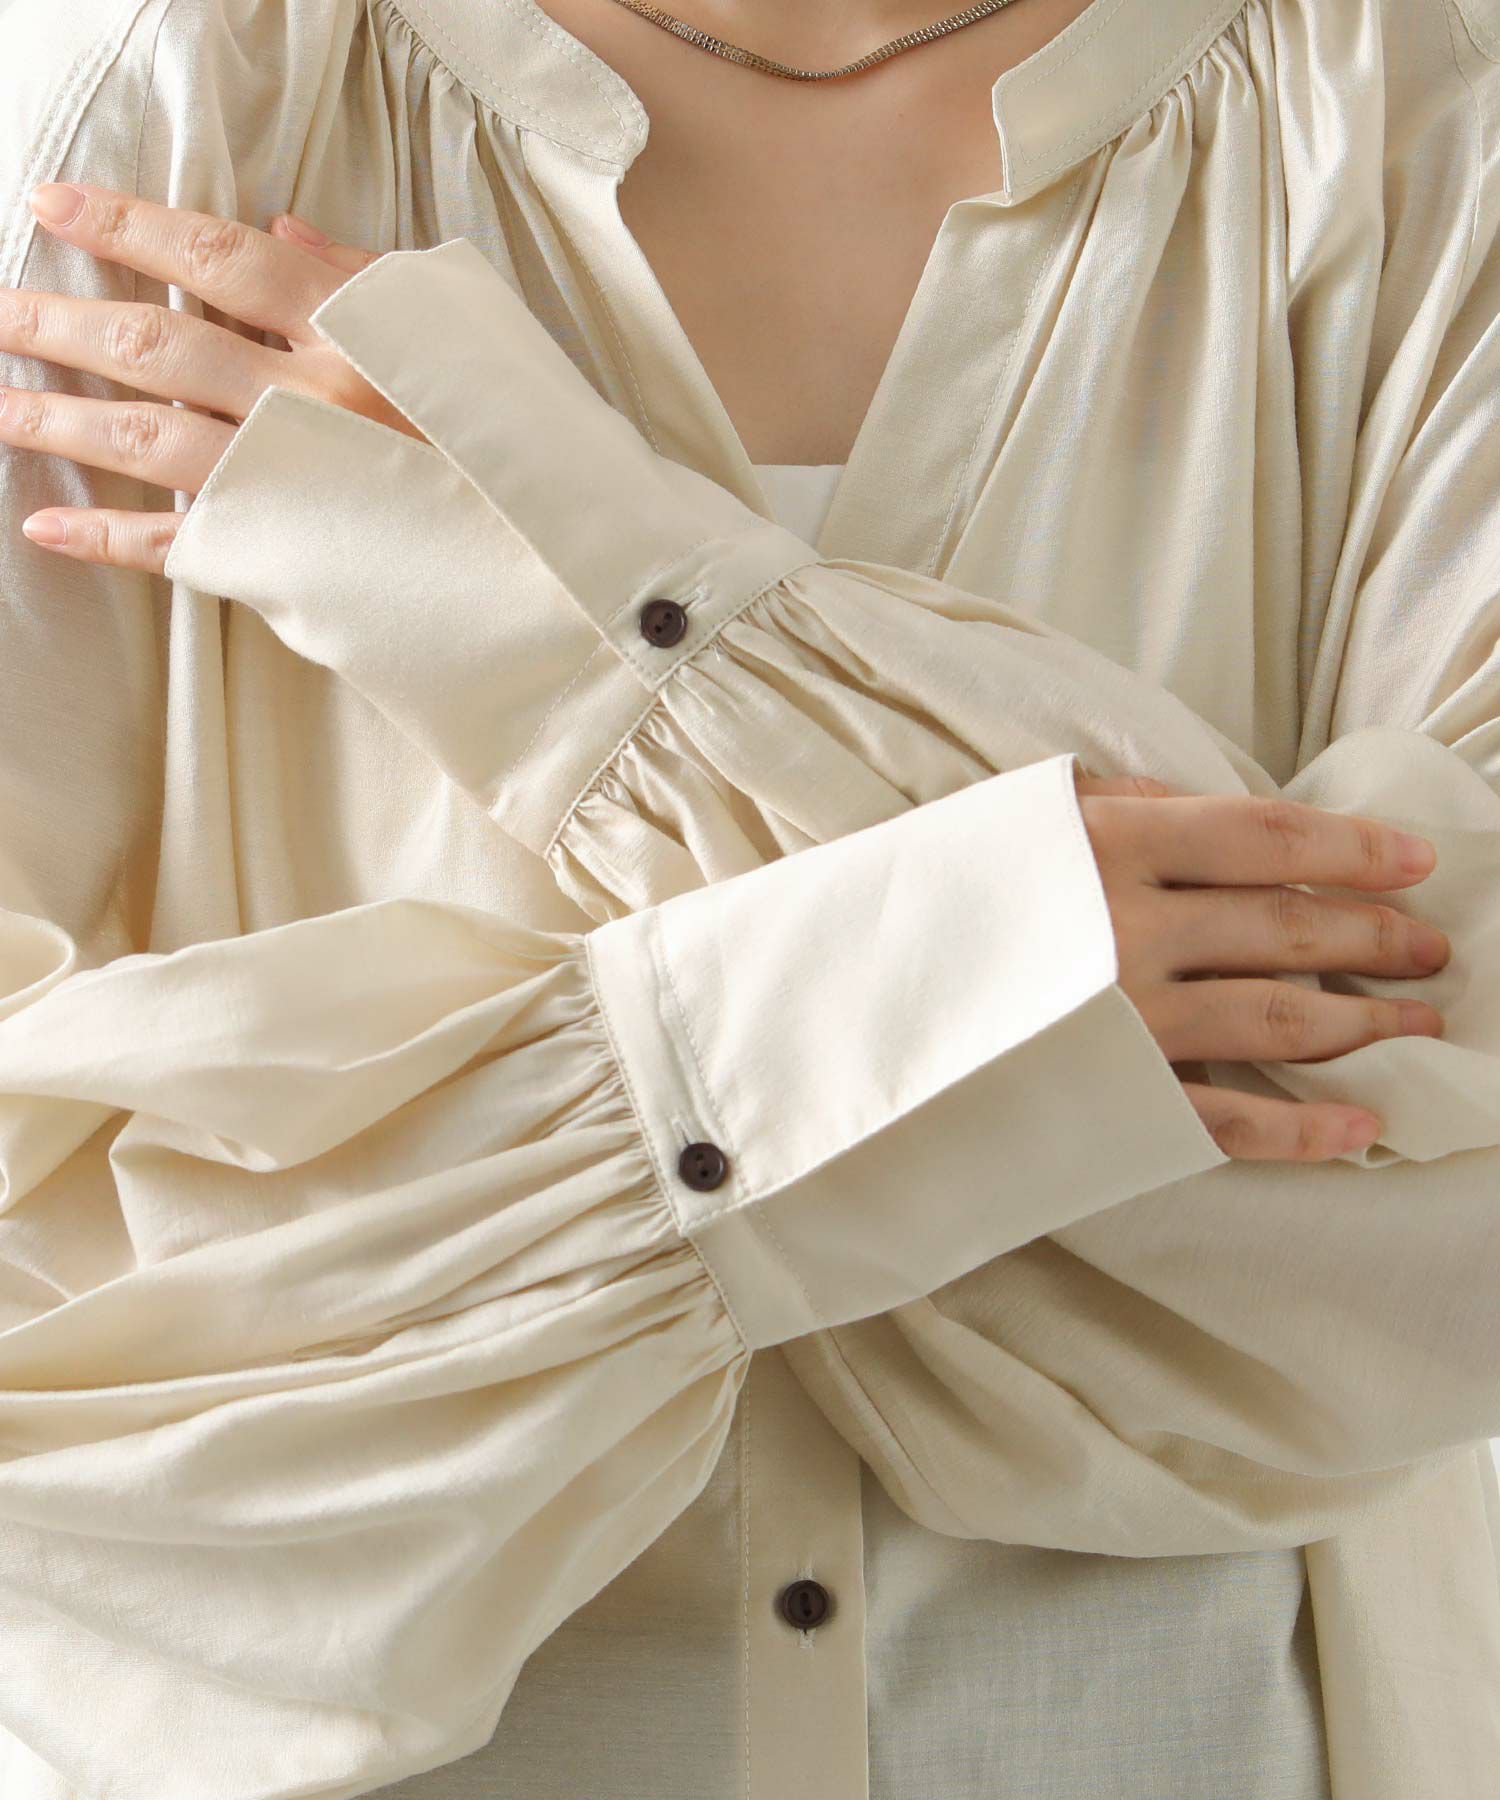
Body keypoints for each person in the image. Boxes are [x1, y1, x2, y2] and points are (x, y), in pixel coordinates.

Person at [0, 0, 1497, 1795]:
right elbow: (52, 1387)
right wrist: (912, 1001)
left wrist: (592, 587)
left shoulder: (1413, 113)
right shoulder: (175, 120)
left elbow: (1450, 1248)